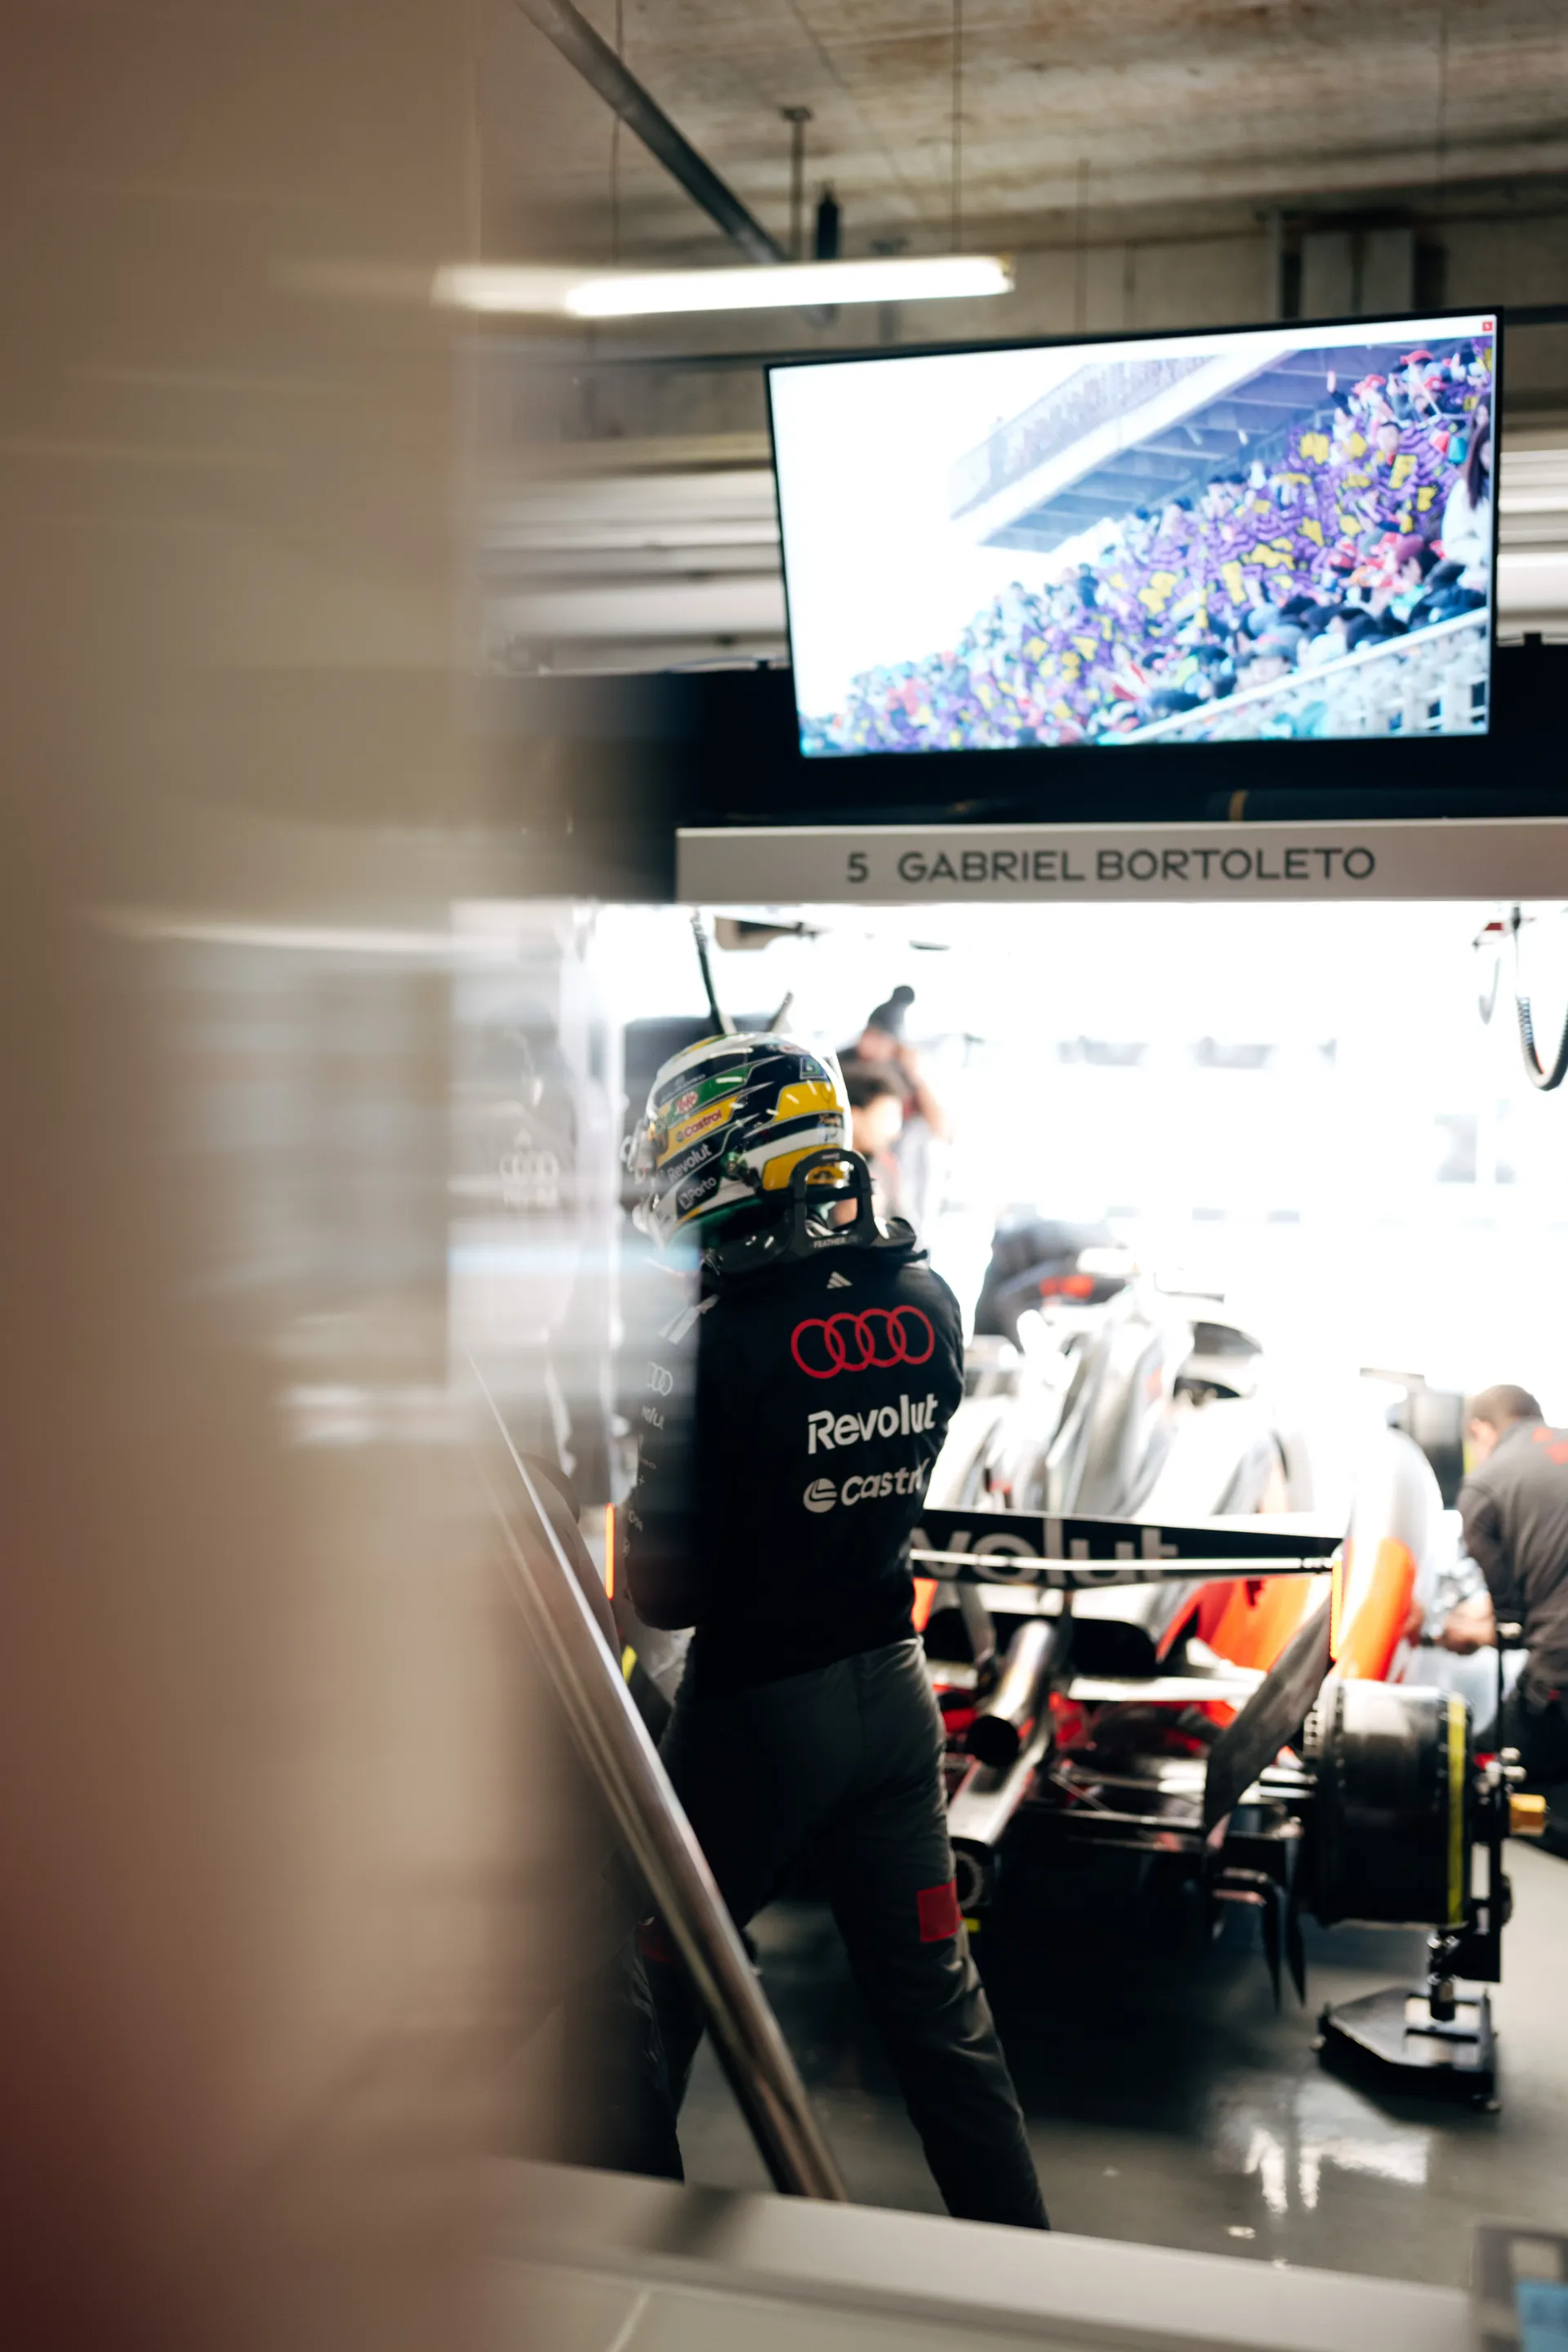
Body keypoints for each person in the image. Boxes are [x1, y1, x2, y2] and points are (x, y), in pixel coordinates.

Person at [622, 1029, 1049, 2231]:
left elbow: (664, 1592)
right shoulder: (927, 1295)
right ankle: (1029, 2271)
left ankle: (633, 2257)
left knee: (656, 1989)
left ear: (738, 1155)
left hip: (757, 1716)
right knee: (943, 2020)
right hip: (895, 1701)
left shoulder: (710, 1337)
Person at [1441, 1385, 1568, 1790]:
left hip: (1560, 1669)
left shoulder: (1485, 1485)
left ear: (1480, 1431)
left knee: (1475, 1771)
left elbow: (1511, 1623)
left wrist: (1458, 1631)